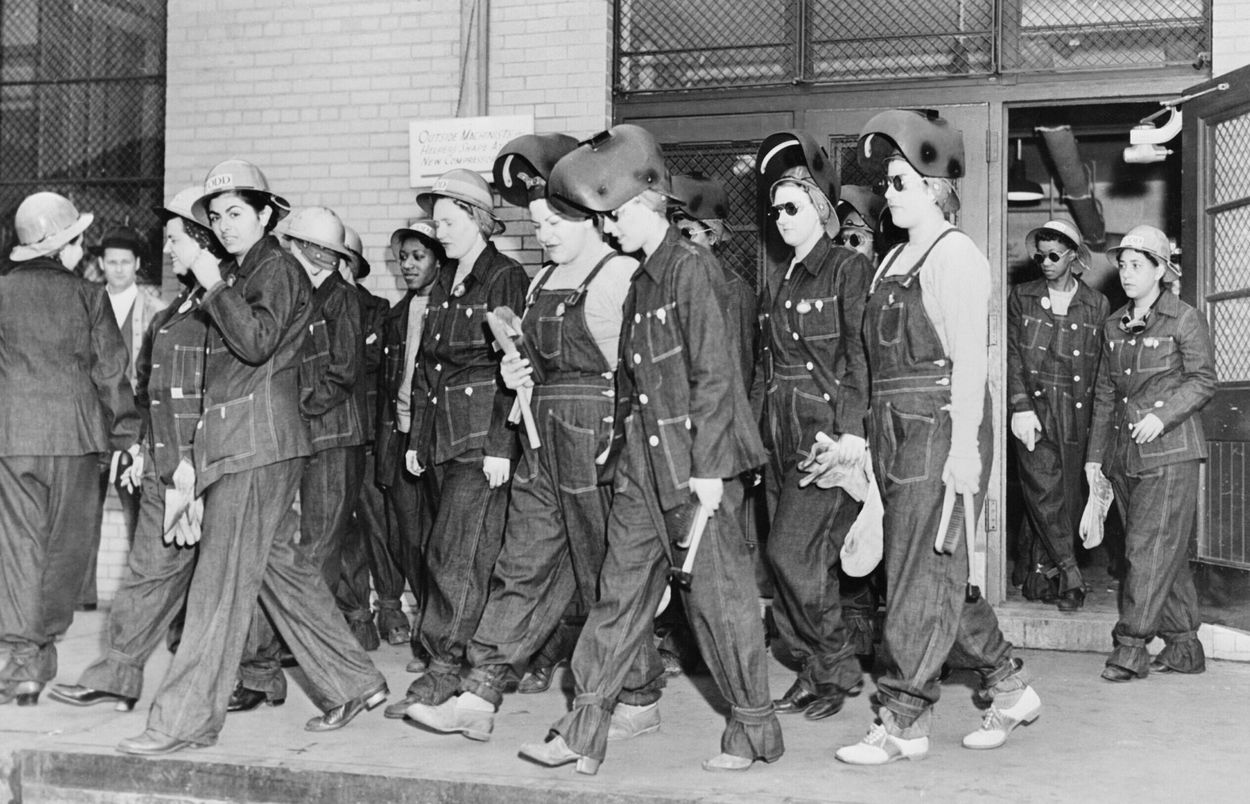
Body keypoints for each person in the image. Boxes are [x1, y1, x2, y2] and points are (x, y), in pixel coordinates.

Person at [517, 124, 782, 774]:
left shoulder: (695, 273)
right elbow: (632, 387)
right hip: (642, 468)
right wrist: (616, 461)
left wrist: (714, 472)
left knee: (719, 606)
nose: (607, 233)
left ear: (644, 204)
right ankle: (584, 728)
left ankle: (753, 729)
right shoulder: (640, 283)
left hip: (697, 471)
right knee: (616, 597)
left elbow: (717, 375)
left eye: (612, 220)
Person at [117, 159, 387, 756]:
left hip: (256, 446)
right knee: (276, 570)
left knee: (217, 589)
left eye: (237, 212)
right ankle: (353, 680)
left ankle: (183, 721)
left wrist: (211, 280)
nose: (225, 224)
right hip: (244, 443)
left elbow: (258, 341)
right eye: (216, 216)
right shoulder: (246, 271)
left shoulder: (273, 267)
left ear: (266, 215)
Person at [405, 132, 633, 739]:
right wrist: (517, 369)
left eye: (557, 221)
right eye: (537, 222)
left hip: (600, 445)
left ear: (592, 217)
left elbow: (641, 378)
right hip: (542, 440)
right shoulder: (537, 285)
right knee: (521, 568)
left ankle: (638, 695)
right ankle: (478, 698)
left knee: (612, 576)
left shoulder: (620, 277)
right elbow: (531, 361)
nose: (546, 234)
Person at [832, 110, 1040, 765]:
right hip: (895, 427)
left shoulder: (957, 255)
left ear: (934, 188)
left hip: (936, 424)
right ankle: (1010, 688)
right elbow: (875, 362)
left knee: (921, 576)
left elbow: (972, 364)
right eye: (886, 184)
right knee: (937, 568)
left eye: (897, 183)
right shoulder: (895, 258)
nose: (885, 194)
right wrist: (862, 440)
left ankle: (903, 720)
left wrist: (965, 452)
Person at [49, 187, 220, 711]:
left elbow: (217, 389)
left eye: (174, 240)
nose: (168, 251)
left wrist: (190, 461)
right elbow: (153, 385)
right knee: (153, 567)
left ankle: (337, 680)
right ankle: (119, 673)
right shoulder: (182, 305)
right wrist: (144, 444)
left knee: (264, 577)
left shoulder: (218, 302)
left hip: (204, 463)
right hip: (161, 454)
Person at [0, 192, 141, 707]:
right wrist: (126, 437)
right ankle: (40, 650)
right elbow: (111, 373)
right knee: (66, 551)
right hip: (78, 443)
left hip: (13, 440)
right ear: (65, 245)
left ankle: (22, 662)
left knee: (18, 549)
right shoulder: (89, 296)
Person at [228, 206, 371, 712]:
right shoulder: (303, 295)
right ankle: (263, 670)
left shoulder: (342, 300)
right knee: (279, 552)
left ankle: (330, 673)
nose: (286, 252)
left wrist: (297, 410)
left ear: (316, 251)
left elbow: (342, 371)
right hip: (299, 437)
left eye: (293, 244)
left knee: (313, 555)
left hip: (332, 438)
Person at [397, 168, 529, 709]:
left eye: (448, 221)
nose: (439, 230)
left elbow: (515, 364)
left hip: (481, 438)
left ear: (478, 220)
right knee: (446, 550)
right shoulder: (446, 278)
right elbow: (429, 365)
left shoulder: (505, 277)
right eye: (436, 221)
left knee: (459, 555)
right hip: (444, 434)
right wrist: (416, 440)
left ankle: (447, 665)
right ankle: (466, 657)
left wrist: (503, 445)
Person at [752, 130, 872, 721]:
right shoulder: (782, 280)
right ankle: (812, 667)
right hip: (779, 436)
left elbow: (860, 354)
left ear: (821, 212)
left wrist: (852, 434)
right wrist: (751, 439)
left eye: (791, 207)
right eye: (775, 210)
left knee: (796, 555)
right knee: (784, 562)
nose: (780, 218)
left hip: (823, 439)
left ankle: (836, 664)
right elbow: (764, 368)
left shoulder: (848, 269)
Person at [1087, 225, 1215, 682]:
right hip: (1125, 457)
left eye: (1137, 264)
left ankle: (1131, 647)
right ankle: (1183, 646)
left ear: (1161, 271)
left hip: (1171, 454)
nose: (1125, 272)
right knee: (1165, 552)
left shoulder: (1184, 318)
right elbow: (1104, 394)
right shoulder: (1112, 325)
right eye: (1122, 264)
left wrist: (1164, 417)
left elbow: (1202, 380)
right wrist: (1095, 461)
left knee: (1146, 550)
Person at [1007, 220, 1108, 611]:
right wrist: (1019, 405)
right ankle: (1070, 573)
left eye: (1054, 256)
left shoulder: (1096, 304)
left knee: (1066, 494)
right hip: (1035, 408)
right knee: (1042, 489)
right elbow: (1013, 355)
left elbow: (1101, 367)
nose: (1045, 263)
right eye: (1040, 255)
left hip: (1076, 410)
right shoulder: (1023, 297)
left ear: (1072, 258)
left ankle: (1039, 570)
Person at [79, 226, 167, 610]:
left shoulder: (155, 307)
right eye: (110, 262)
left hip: (135, 422)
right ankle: (82, 598)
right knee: (85, 510)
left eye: (124, 263)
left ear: (137, 265)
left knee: (138, 510)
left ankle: (140, 597)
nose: (117, 269)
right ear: (101, 264)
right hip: (93, 422)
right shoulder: (87, 301)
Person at [375, 218, 443, 695]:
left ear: (439, 259)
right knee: (410, 541)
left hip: (438, 443)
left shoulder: (450, 308)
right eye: (403, 257)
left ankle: (443, 643)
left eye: (418, 256)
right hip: (400, 442)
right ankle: (427, 635)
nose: (409, 265)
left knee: (442, 545)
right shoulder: (397, 316)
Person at [340, 224, 403, 648]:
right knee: (344, 530)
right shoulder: (312, 308)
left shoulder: (378, 309)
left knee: (383, 525)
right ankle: (357, 615)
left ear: (350, 265)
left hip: (370, 436)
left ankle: (392, 609)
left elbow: (369, 363)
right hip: (334, 441)